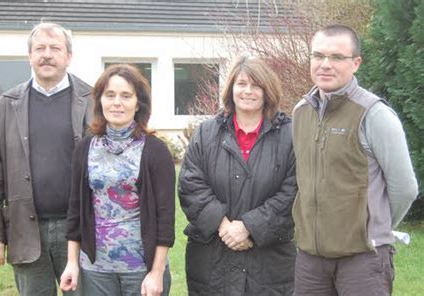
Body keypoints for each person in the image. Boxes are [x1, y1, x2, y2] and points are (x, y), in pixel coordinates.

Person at [292, 24, 419, 296]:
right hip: (310, 260)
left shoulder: (374, 115)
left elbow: (405, 189)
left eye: (337, 57)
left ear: (356, 63)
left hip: (363, 258)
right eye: (318, 56)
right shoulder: (301, 112)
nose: (325, 64)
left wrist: (373, 227)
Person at [0, 22, 94, 296]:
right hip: (26, 231)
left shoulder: (93, 100)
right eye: (39, 48)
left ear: (68, 56)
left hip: (80, 230)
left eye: (55, 48)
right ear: (30, 56)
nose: (47, 54)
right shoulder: (7, 105)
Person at [178, 55, 297, 295]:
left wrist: (250, 227)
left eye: (256, 85)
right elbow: (191, 185)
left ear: (268, 91)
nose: (248, 91)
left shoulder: (289, 136)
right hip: (212, 261)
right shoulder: (206, 133)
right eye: (241, 84)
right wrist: (224, 227)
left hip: (268, 264)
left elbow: (293, 190)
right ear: (231, 88)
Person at [59, 64, 175, 296]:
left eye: (126, 95)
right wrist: (72, 262)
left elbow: (165, 218)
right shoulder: (85, 148)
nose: (117, 103)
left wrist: (156, 272)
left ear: (138, 103)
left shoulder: (155, 151)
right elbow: (75, 211)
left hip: (141, 270)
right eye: (110, 95)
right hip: (95, 270)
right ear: (100, 101)